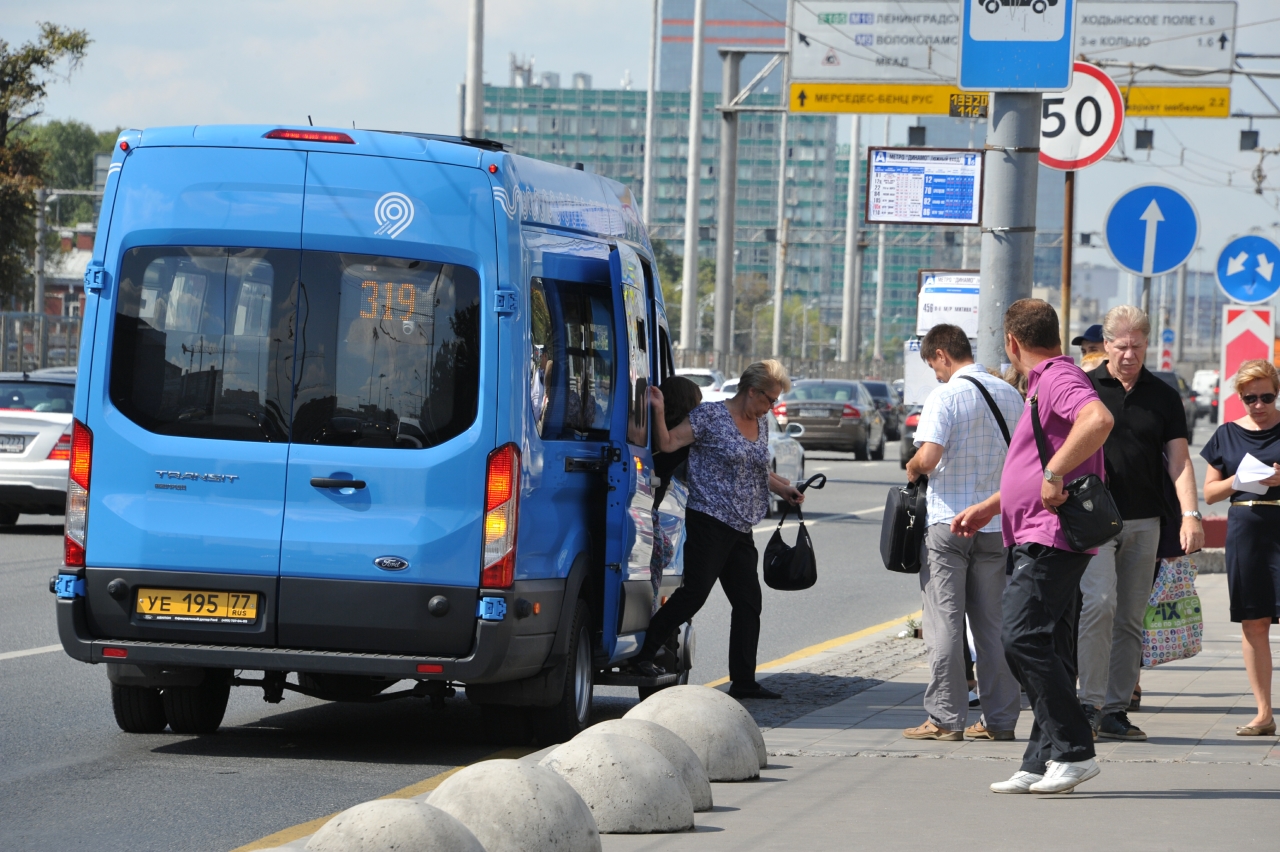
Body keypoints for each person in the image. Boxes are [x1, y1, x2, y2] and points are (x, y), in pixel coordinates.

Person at [952, 299, 1114, 794]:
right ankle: (1042, 759)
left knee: (1020, 636)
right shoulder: (1044, 382)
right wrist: (992, 506)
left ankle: (1075, 750)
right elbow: (1031, 465)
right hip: (1034, 530)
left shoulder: (1058, 378)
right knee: (1050, 647)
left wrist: (1055, 472)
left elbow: (1098, 420)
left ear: (1012, 343)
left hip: (1052, 535)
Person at [632, 360, 805, 700]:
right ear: (751, 391)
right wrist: (658, 409)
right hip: (709, 519)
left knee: (748, 602)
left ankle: (743, 680)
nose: (771, 407)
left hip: (741, 525)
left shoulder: (761, 422)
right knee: (694, 594)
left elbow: (755, 467)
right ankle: (643, 654)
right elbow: (667, 445)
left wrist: (782, 488)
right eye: (769, 399)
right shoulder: (709, 416)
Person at [1078, 305, 1204, 742]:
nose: (1129, 354)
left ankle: (1114, 710)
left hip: (1145, 521)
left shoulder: (1164, 395)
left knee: (1131, 618)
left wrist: (1190, 514)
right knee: (1098, 605)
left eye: (1137, 345)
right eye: (1121, 345)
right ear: (1106, 345)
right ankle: (1087, 704)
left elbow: (1179, 461)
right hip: (1094, 522)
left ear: (1146, 344)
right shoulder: (1086, 388)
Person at [902, 324, 1024, 743]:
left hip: (949, 523)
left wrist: (913, 466)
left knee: (945, 623)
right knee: (992, 626)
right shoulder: (1011, 395)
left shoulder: (946, 395)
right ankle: (1001, 720)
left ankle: (945, 718)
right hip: (995, 523)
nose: (934, 373)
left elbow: (931, 455)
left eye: (932, 365)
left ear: (941, 354)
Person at [1201, 358, 1280, 737]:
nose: (1259, 405)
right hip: (1246, 531)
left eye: (1266, 396)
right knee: (1254, 621)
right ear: (1240, 397)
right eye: (1251, 398)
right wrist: (1242, 478)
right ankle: (1264, 712)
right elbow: (1210, 493)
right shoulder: (1227, 434)